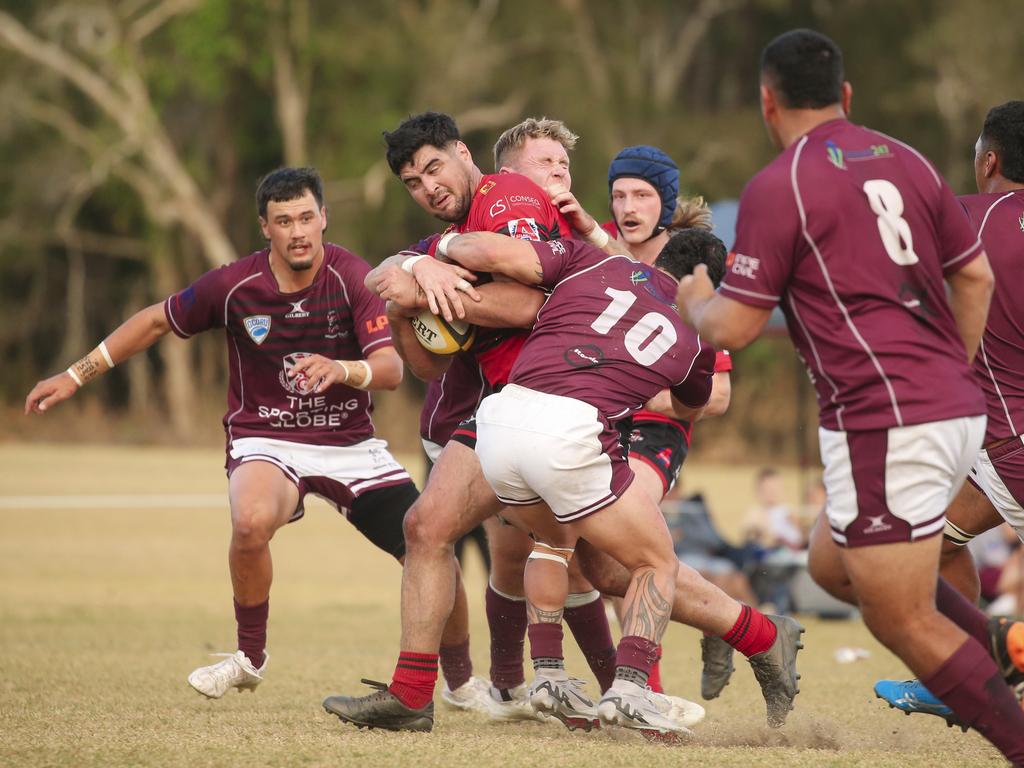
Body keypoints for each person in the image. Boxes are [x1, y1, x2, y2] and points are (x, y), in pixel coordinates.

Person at [324, 114, 804, 734]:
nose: (428, 187)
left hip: (579, 409)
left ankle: (681, 669)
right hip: (514, 405)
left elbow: (527, 300)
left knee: (613, 562)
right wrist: (413, 279)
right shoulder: (560, 241)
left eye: (434, 169)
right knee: (430, 526)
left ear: (470, 158)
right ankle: (419, 692)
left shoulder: (509, 200)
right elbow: (410, 327)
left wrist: (429, 278)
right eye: (414, 182)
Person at [676, 29, 1024, 763]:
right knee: (832, 565)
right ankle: (985, 648)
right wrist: (952, 373)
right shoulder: (910, 160)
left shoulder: (783, 183)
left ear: (766, 102)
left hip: (888, 415)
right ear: (846, 96)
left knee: (900, 617)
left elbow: (734, 325)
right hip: (948, 410)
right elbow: (975, 280)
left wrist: (696, 299)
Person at [23, 167, 478, 702]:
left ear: (324, 218)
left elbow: (391, 370)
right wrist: (75, 375)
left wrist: (340, 369)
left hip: (350, 446)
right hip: (266, 440)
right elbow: (152, 322)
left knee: (431, 546)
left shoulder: (353, 276)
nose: (299, 231)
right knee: (251, 520)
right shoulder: (235, 284)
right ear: (266, 227)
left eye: (307, 217)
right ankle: (249, 657)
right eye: (284, 221)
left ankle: (464, 683)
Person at [867, 100, 1024, 722]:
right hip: (997, 453)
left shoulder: (963, 218)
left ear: (989, 159)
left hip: (1013, 443)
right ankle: (965, 676)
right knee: (925, 537)